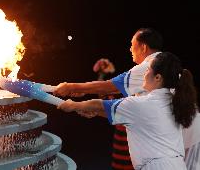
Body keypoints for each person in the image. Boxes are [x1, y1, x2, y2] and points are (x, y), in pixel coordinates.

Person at [57, 52, 199, 170]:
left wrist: (73, 105)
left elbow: (99, 104)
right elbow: (120, 112)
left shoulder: (143, 104)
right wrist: (94, 110)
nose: (144, 74)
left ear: (158, 77)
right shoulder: (175, 102)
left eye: (148, 70)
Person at [54, 27, 163, 169]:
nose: (130, 49)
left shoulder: (148, 68)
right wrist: (95, 108)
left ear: (143, 47)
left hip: (154, 153)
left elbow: (109, 86)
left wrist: (71, 88)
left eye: (132, 44)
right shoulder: (164, 64)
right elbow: (126, 104)